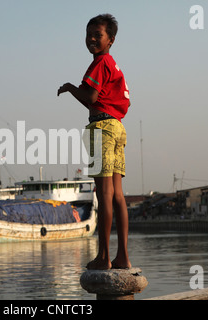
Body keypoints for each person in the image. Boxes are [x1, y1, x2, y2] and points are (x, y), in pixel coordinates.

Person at [58, 14, 131, 270]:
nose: (91, 39)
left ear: (110, 40)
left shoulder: (100, 63)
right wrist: (76, 92)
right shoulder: (113, 64)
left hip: (101, 127)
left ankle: (104, 257)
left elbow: (90, 96)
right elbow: (96, 99)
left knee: (104, 193)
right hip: (117, 127)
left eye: (97, 35)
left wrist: (69, 87)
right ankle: (122, 256)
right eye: (88, 35)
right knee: (118, 195)